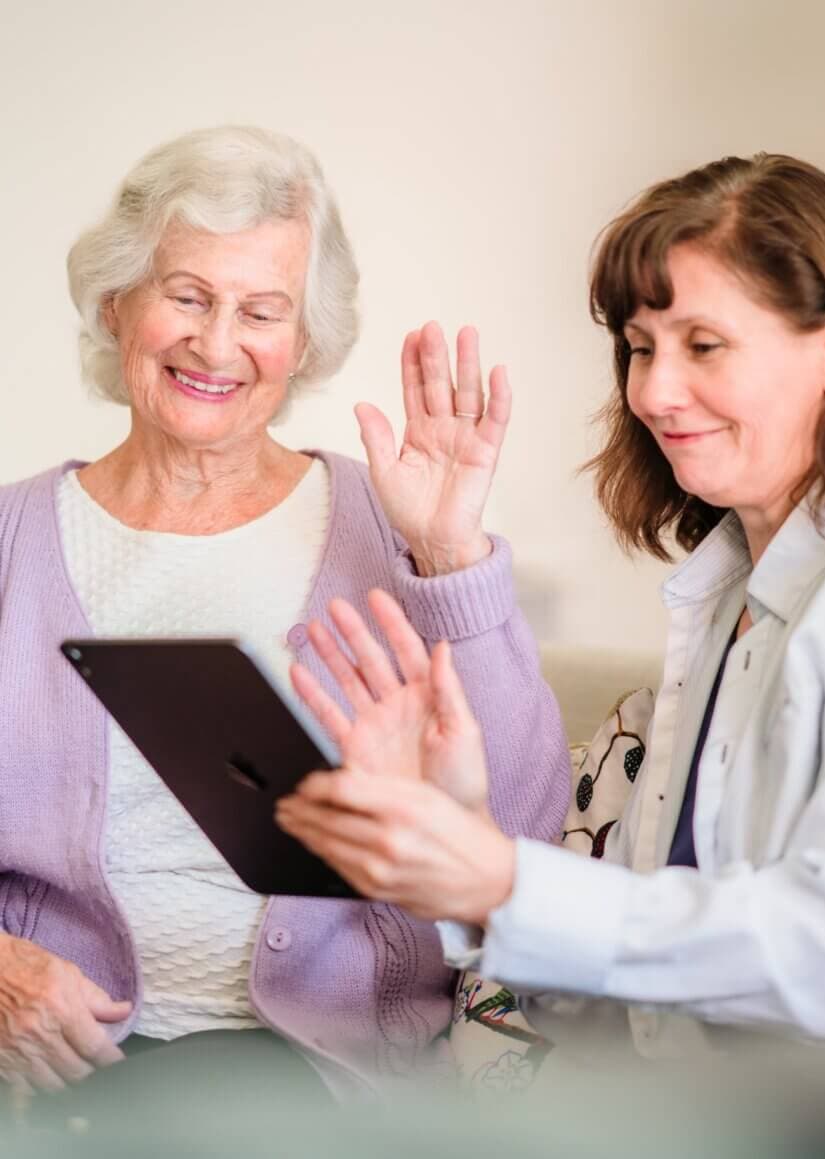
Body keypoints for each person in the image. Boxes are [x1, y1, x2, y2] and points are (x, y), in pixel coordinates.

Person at [276, 153, 825, 1062]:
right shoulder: (727, 591)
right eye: (640, 346)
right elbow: (628, 991)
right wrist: (462, 846)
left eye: (704, 344)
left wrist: (502, 885)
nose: (653, 391)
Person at [0, 124, 570, 1104]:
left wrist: (450, 558)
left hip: (315, 1072)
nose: (217, 344)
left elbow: (523, 832)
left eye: (261, 311)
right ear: (115, 301)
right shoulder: (12, 539)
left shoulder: (390, 528)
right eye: (185, 296)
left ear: (303, 343)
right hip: (45, 1059)